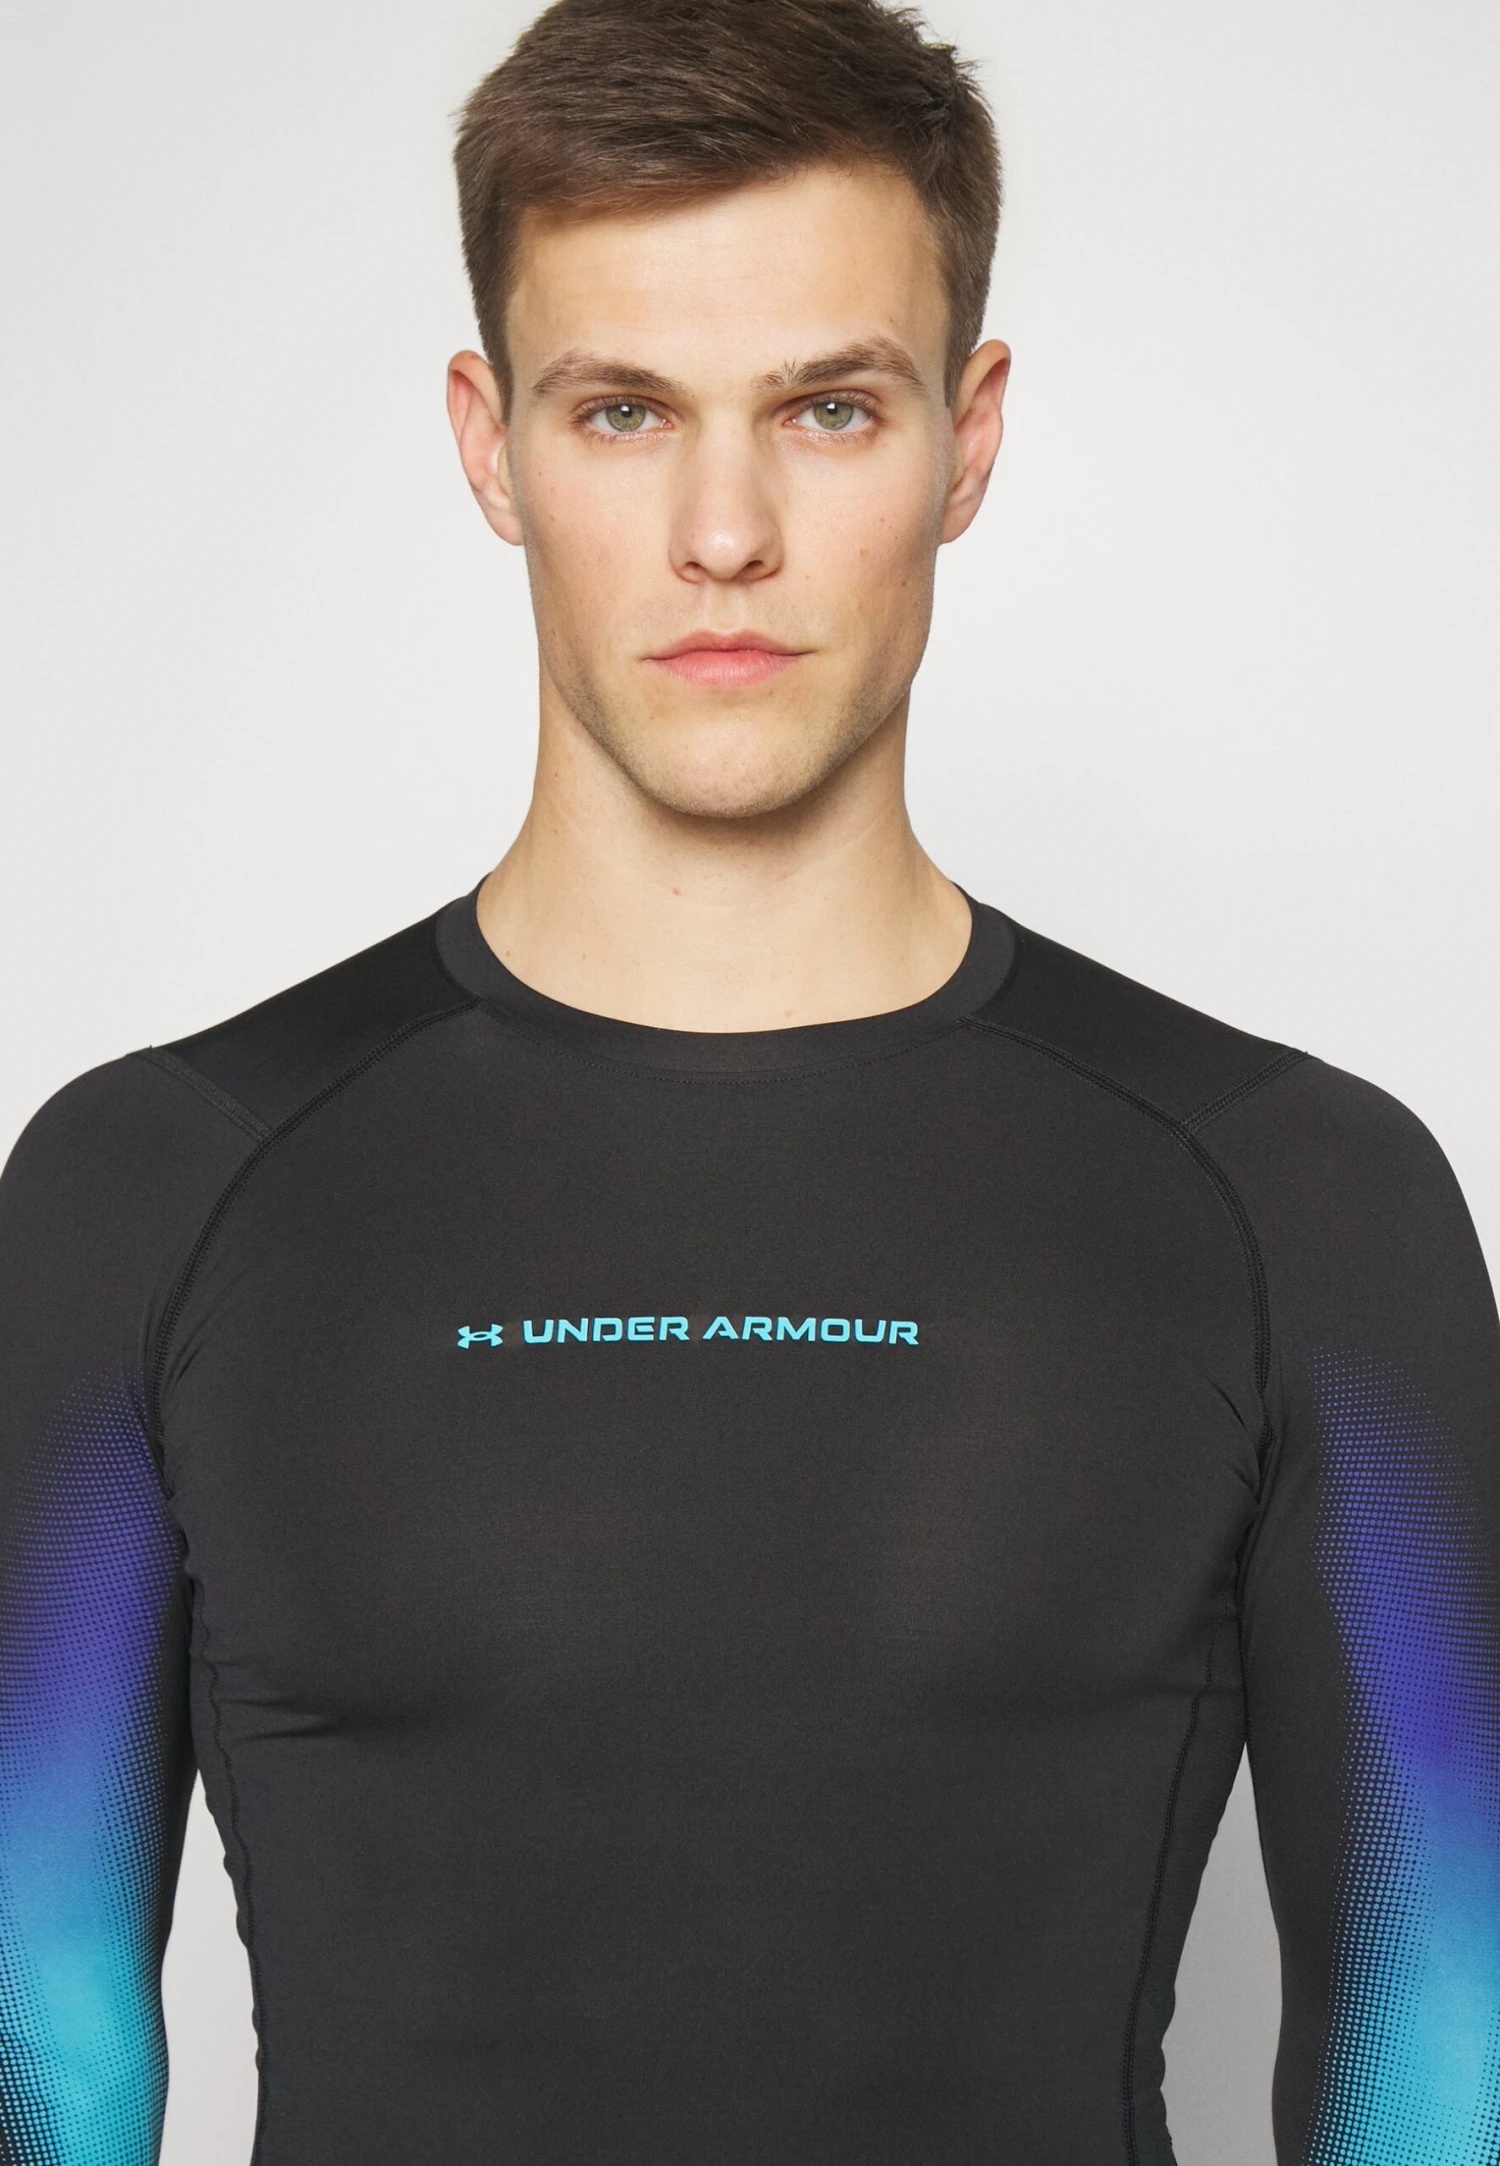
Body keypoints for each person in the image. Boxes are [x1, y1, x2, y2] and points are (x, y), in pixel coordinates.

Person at [1, 0, 1497, 2159]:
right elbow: (31, 2057)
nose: (724, 532)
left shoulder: (1302, 1199)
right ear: (488, 443)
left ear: (968, 438)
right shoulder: (150, 1187)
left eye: (828, 408)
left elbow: (1446, 2062)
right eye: (623, 410)